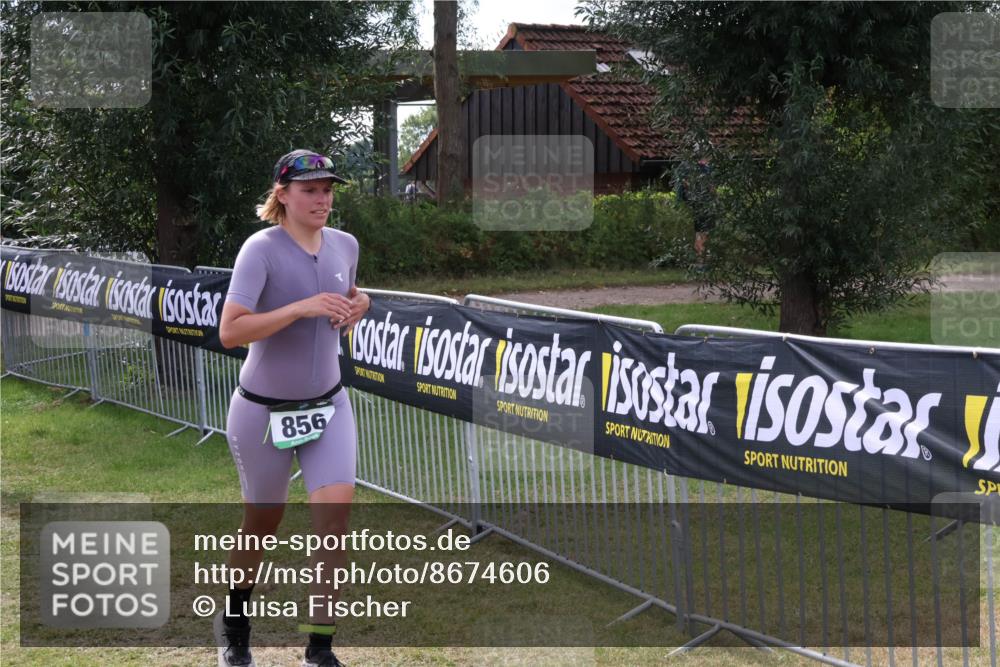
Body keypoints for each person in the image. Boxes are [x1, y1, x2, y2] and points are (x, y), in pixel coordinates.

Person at [216, 150, 370, 667]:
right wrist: (300, 308)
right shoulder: (260, 249)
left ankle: (319, 648)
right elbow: (231, 330)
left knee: (334, 518)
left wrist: (360, 304)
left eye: (328, 190)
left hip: (328, 406)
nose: (322, 199)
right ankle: (235, 629)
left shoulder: (346, 244)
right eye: (310, 190)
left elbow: (345, 294)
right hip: (261, 411)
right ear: (282, 194)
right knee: (262, 521)